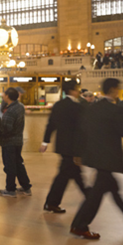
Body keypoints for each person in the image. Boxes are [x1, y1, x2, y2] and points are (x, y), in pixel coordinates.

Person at [69, 77, 123, 239]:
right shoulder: (115, 109)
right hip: (107, 158)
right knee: (96, 195)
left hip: (95, 156)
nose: (118, 92)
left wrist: (78, 152)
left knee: (114, 189)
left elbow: (81, 130)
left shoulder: (92, 108)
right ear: (113, 90)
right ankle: (79, 225)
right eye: (117, 89)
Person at [40, 79, 88, 214]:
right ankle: (90, 197)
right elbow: (81, 130)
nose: (78, 91)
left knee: (67, 174)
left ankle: (52, 203)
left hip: (62, 146)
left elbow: (51, 125)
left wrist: (45, 142)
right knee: (69, 174)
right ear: (73, 90)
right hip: (73, 147)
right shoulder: (78, 107)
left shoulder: (58, 105)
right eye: (77, 89)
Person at [0, 88, 32, 197]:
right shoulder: (20, 106)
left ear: (7, 96)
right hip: (18, 141)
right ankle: (26, 186)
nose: (2, 95)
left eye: (4, 93)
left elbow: (6, 128)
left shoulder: (10, 111)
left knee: (10, 165)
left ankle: (10, 189)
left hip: (9, 142)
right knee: (18, 164)